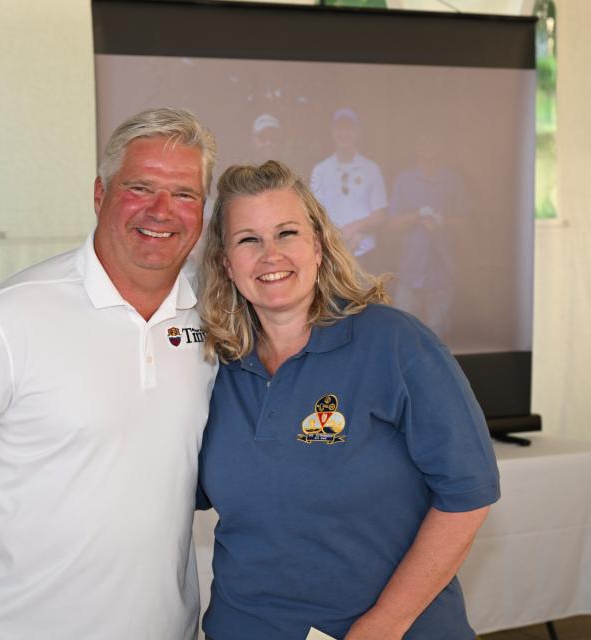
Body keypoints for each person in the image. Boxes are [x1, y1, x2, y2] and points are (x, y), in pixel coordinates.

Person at [0, 107, 218, 640]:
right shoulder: (8, 317)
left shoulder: (216, 318)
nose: (161, 210)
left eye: (184, 194)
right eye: (140, 187)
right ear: (99, 195)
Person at [197, 160, 499, 640]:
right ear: (225, 263)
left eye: (287, 233)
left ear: (317, 245)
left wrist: (381, 627)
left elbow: (468, 494)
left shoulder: (395, 344)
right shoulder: (213, 369)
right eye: (248, 239)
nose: (270, 254)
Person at [388, 134, 468, 338]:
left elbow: (465, 224)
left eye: (433, 141)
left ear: (441, 146)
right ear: (416, 147)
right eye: (423, 141)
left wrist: (443, 221)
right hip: (410, 270)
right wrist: (417, 216)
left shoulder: (452, 180)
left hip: (442, 271)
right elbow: (392, 224)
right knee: (403, 334)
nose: (428, 147)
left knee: (438, 337)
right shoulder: (404, 180)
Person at [310, 107, 388, 258]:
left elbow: (381, 215)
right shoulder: (320, 171)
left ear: (357, 132)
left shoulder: (372, 169)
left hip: (366, 256)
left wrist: (357, 229)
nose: (344, 133)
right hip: (332, 255)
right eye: (339, 128)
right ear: (332, 132)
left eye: (349, 128)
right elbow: (315, 215)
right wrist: (339, 240)